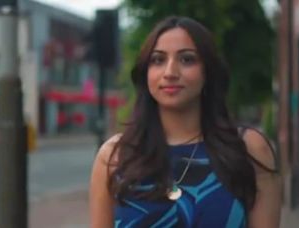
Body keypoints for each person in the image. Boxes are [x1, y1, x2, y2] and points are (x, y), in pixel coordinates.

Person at [90, 16, 282, 228]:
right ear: (146, 73)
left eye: (187, 59)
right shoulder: (114, 156)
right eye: (158, 60)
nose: (170, 72)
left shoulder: (250, 149)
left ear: (207, 72)